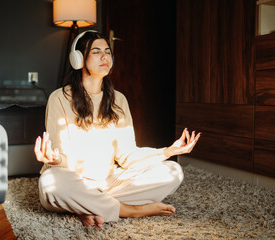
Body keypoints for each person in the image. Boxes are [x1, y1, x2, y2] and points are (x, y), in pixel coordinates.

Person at [34, 30, 201, 229]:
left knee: (173, 171)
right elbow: (60, 156)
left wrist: (168, 151)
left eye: (107, 51)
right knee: (51, 182)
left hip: (109, 181)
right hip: (71, 179)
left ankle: (85, 206)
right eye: (96, 52)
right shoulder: (59, 98)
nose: (105, 56)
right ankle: (129, 210)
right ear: (78, 59)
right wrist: (54, 159)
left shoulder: (118, 100)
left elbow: (127, 155)